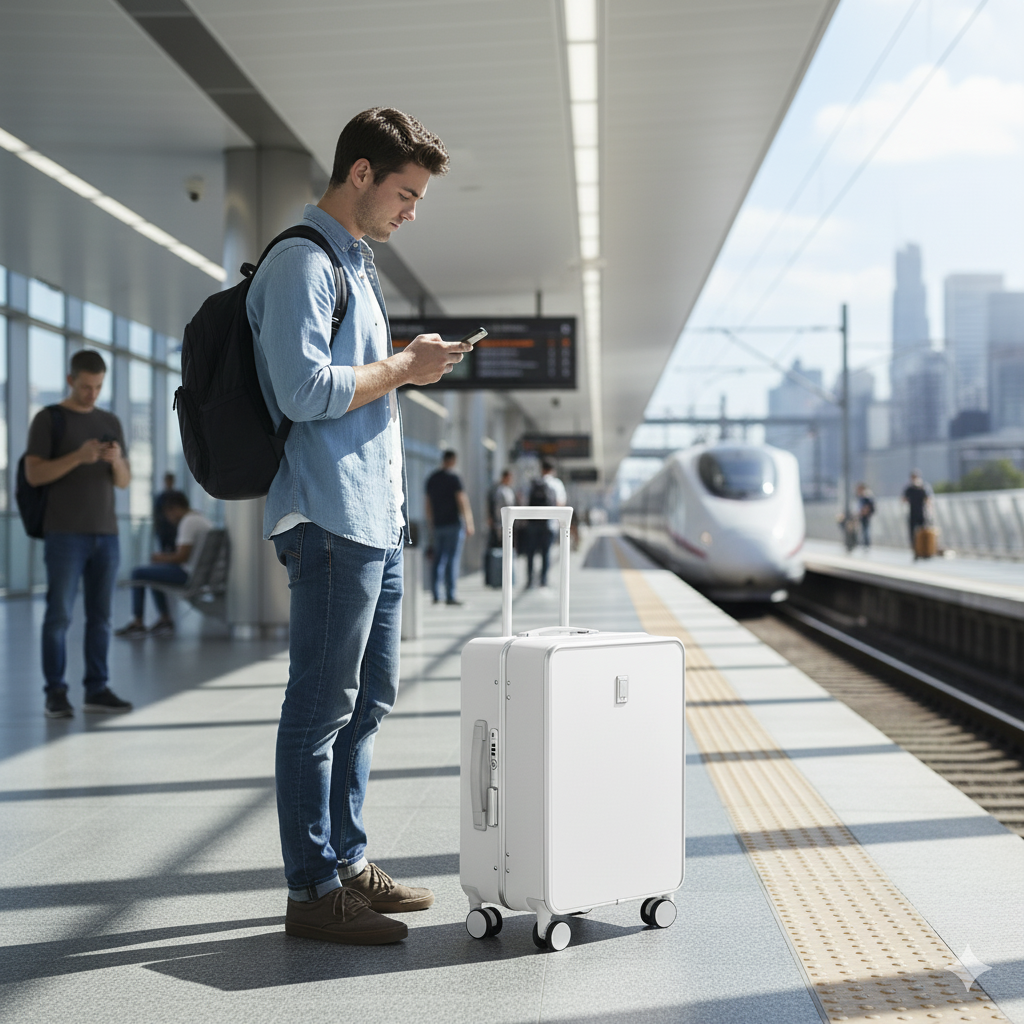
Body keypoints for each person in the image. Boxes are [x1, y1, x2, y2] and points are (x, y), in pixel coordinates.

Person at [249, 107, 470, 946]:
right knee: (320, 706)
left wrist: (408, 370)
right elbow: (305, 392)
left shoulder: (358, 265)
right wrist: (402, 367)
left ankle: (345, 862)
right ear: (362, 174)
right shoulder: (303, 263)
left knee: (369, 699)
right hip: (331, 518)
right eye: (406, 193)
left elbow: (360, 386)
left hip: (375, 521)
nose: (413, 210)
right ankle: (311, 889)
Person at [24, 349, 132, 718]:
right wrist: (78, 458)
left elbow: (124, 482)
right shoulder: (48, 419)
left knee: (101, 617)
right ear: (70, 380)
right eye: (86, 386)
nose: (92, 394)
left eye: (98, 387)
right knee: (59, 616)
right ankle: (56, 692)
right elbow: (33, 475)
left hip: (107, 533)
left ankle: (96, 689)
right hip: (64, 534)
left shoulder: (110, 421)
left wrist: (115, 461)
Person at [115, 493, 212, 637]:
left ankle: (138, 621)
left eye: (167, 513)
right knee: (153, 573)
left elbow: (182, 557)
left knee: (138, 572)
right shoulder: (200, 518)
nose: (168, 518)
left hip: (188, 575)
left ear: (173, 509)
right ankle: (164, 619)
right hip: (198, 573)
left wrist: (160, 558)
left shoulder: (188, 522)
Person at [425, 449, 475, 605]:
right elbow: (462, 500)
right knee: (452, 559)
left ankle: (435, 594)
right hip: (453, 524)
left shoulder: (432, 478)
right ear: (453, 460)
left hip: (438, 525)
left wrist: (431, 523)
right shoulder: (455, 478)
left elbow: (427, 504)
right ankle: (450, 595)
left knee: (438, 559)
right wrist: (469, 522)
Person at [523, 460, 566, 588]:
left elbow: (524, 501)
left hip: (532, 523)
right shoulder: (556, 484)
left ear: (542, 469)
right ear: (552, 470)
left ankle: (530, 580)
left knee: (530, 552)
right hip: (549, 524)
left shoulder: (533, 483)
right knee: (546, 552)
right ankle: (543, 580)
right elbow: (560, 503)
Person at [902, 470, 933, 558]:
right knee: (913, 534)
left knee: (923, 532)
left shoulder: (924, 487)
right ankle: (916, 551)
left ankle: (925, 551)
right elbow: (903, 499)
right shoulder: (909, 488)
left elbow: (928, 500)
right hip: (912, 513)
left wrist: (930, 512)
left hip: (922, 513)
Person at [486, 468, 516, 549]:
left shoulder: (509, 490)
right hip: (499, 522)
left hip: (508, 521)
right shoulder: (498, 490)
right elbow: (494, 505)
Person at [153, 472, 181, 553]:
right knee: (163, 551)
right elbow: (156, 514)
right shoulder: (160, 497)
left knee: (174, 551)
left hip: (174, 530)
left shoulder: (177, 496)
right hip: (163, 529)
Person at [856, 483, 876, 549]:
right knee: (863, 529)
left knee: (866, 529)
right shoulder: (861, 497)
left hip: (866, 516)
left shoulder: (866, 496)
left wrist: (865, 511)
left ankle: (866, 544)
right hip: (862, 515)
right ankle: (864, 543)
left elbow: (868, 506)